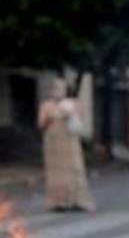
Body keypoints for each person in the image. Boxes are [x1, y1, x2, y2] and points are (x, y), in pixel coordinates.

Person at [38, 78, 95, 212]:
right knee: (56, 173)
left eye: (61, 88)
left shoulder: (73, 104)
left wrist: (70, 113)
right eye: (55, 88)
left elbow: (80, 121)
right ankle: (58, 202)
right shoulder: (46, 106)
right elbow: (41, 124)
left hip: (70, 141)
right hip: (53, 142)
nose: (58, 91)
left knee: (74, 169)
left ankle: (77, 200)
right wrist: (50, 117)